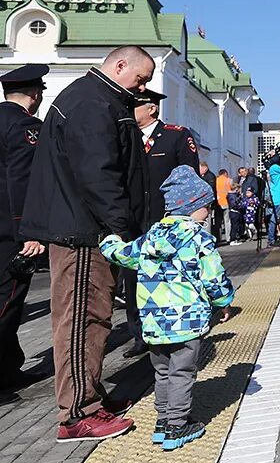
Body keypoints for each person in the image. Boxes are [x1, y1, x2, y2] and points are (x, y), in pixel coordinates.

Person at [21, 45, 155, 442]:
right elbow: (97, 174)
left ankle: (90, 396)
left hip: (89, 230)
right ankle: (77, 413)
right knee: (81, 320)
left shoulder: (97, 99)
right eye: (141, 78)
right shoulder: (91, 103)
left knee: (93, 319)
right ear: (119, 65)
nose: (143, 87)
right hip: (84, 234)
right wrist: (122, 229)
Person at [100, 165, 234, 451]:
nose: (208, 212)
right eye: (205, 206)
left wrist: (109, 241)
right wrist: (223, 303)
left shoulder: (151, 238)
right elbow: (214, 277)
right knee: (182, 373)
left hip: (155, 323)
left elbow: (124, 255)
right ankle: (177, 426)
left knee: (161, 373)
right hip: (186, 324)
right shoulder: (199, 239)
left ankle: (163, 422)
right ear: (190, 207)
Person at [126, 89, 199, 358]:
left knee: (168, 277)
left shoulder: (176, 135)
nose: (129, 111)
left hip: (166, 220)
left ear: (151, 109)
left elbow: (188, 178)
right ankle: (139, 334)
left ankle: (173, 328)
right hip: (135, 221)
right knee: (134, 278)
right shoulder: (128, 137)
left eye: (134, 106)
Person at [0, 65, 50, 395]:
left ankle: (9, 370)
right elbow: (23, 182)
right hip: (9, 233)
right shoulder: (24, 125)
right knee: (7, 303)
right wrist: (28, 231)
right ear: (35, 95)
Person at [213, 170, 230, 245]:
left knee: (218, 223)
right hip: (226, 203)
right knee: (227, 222)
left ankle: (218, 239)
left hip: (218, 203)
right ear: (225, 173)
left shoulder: (215, 181)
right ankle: (228, 238)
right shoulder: (228, 180)